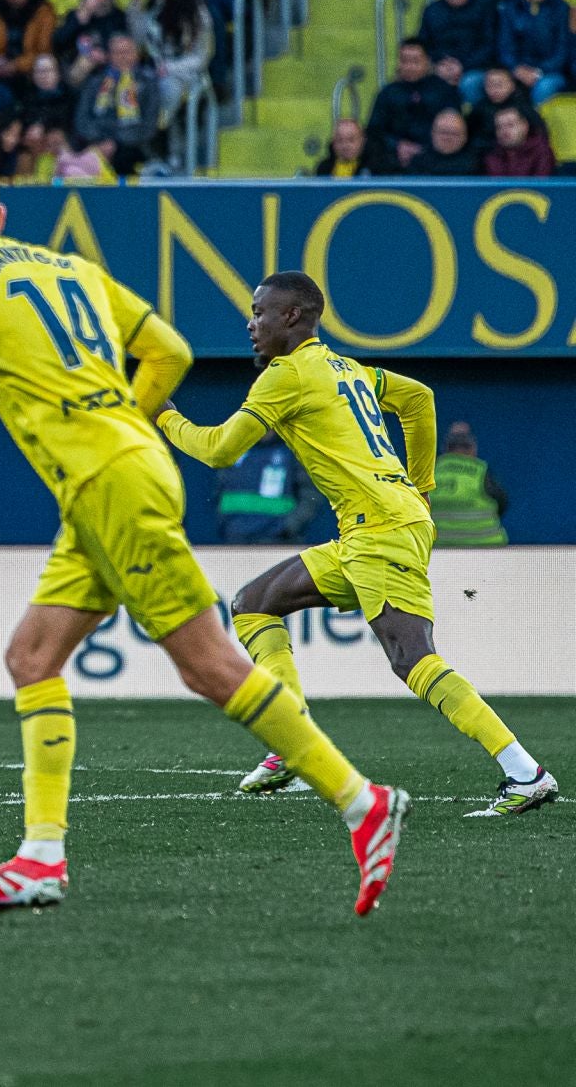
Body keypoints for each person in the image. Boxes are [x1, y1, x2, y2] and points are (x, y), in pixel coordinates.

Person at [0, 160, 410, 914]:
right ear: (0, 216)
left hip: (110, 485)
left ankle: (360, 800)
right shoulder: (70, 266)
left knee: (209, 667)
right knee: (32, 656)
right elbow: (170, 349)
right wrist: (125, 425)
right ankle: (41, 856)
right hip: (113, 477)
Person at [160, 272, 553, 817]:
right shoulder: (348, 369)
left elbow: (222, 451)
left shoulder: (287, 375)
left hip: (380, 530)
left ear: (292, 317)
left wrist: (163, 415)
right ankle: (289, 743)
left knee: (411, 658)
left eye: (259, 312)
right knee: (254, 605)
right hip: (370, 529)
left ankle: (525, 773)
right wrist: (419, 487)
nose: (250, 325)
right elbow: (418, 398)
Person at [362, 40, 457, 174]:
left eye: (415, 61)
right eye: (404, 61)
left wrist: (425, 149)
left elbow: (455, 128)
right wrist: (397, 145)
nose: (409, 66)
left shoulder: (444, 91)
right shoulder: (388, 93)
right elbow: (374, 130)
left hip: (435, 156)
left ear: (427, 61)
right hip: (393, 157)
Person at [215, 432, 319, 542]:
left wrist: (288, 527)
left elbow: (310, 497)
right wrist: (228, 525)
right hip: (236, 540)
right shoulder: (234, 450)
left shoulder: (294, 451)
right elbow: (219, 492)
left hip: (279, 543)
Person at [417, 0, 498, 105]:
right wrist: (439, 66)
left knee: (469, 84)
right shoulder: (432, 10)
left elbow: (490, 46)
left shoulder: (485, 7)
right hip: (440, 68)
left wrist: (462, 67)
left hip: (476, 68)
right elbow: (423, 46)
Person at [497, 0, 570, 107]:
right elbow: (504, 46)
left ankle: (536, 127)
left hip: (551, 72)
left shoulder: (562, 9)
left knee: (544, 87)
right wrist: (516, 69)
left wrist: (537, 72)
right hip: (517, 70)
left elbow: (563, 51)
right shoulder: (509, 8)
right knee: (494, 83)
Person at [432, 422, 510, 548]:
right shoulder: (480, 472)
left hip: (440, 550)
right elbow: (502, 502)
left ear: (446, 448)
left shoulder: (431, 472)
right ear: (472, 448)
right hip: (485, 547)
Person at [483, 105, 558, 177]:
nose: (504, 131)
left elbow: (541, 186)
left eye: (510, 125)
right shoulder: (492, 154)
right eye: (499, 127)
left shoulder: (541, 151)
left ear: (525, 126)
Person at [406, 109, 478, 177]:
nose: (447, 138)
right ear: (433, 133)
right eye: (443, 132)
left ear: (464, 137)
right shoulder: (418, 162)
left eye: (454, 133)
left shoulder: (475, 164)